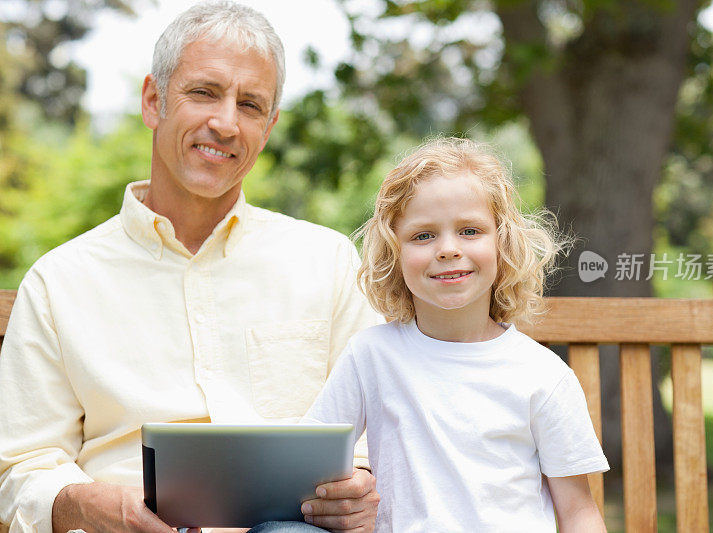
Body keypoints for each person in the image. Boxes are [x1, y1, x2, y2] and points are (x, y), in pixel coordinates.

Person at [0, 2, 380, 532]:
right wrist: (97, 506)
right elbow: (21, 467)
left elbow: (376, 434)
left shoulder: (329, 262)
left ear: (267, 129)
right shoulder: (59, 282)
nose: (225, 123)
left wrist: (361, 485)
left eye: (250, 105)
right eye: (204, 93)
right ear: (154, 101)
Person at [303, 138, 610, 532]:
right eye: (423, 235)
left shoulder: (543, 375)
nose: (448, 249)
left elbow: (579, 512)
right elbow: (310, 460)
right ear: (394, 253)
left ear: (503, 243)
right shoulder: (370, 356)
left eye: (469, 230)